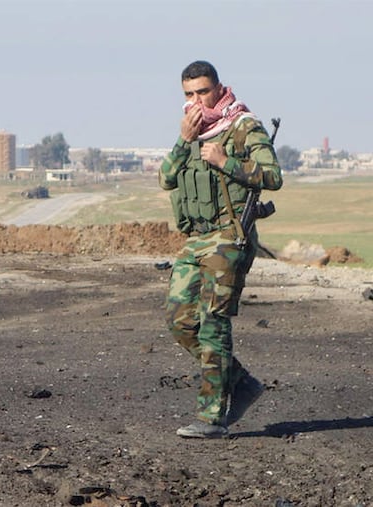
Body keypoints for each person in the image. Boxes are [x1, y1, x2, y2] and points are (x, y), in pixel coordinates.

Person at [158, 60, 282, 439]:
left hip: (230, 237)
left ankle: (212, 417)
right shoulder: (192, 131)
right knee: (180, 321)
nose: (196, 100)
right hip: (196, 238)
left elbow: (273, 176)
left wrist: (226, 161)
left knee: (213, 325)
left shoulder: (243, 126)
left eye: (203, 92)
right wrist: (184, 139)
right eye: (189, 94)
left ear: (219, 88)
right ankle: (242, 382)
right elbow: (166, 178)